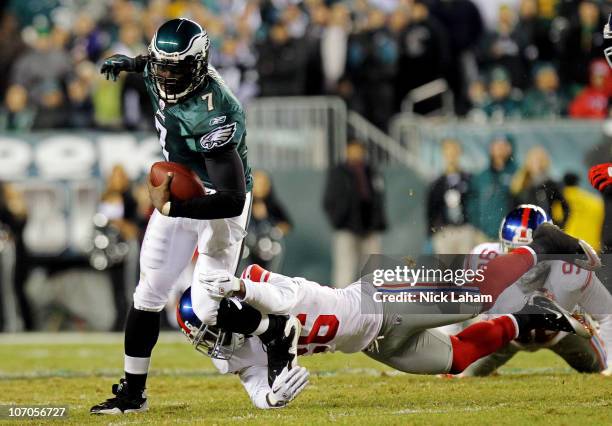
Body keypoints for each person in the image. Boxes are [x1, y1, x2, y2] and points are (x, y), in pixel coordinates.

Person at [90, 18, 297, 415]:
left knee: (204, 311)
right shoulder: (159, 65)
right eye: (160, 66)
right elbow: (151, 62)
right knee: (148, 293)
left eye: (174, 68)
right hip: (180, 192)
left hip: (217, 201)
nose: (165, 76)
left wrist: (172, 207)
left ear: (198, 64)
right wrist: (130, 63)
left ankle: (274, 329)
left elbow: (233, 199)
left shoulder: (217, 112)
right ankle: (133, 393)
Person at [178, 222, 600, 408]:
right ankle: (530, 318)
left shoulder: (256, 285)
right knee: (456, 358)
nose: (212, 342)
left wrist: (242, 288)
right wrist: (268, 399)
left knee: (476, 297)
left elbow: (280, 306)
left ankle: (541, 245)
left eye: (210, 329)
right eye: (204, 337)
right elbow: (253, 382)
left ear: (229, 309)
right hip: (370, 342)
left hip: (380, 298)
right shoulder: (228, 347)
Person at [456, 205, 612, 377]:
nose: (524, 263)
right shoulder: (483, 259)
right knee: (460, 372)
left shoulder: (571, 270)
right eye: (514, 252)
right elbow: (454, 306)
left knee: (602, 370)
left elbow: (607, 313)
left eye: (534, 254)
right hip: (505, 334)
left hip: (562, 333)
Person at [323, 139, 387, 288]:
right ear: (347, 151)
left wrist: (377, 222)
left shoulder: (371, 171)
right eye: (352, 149)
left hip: (369, 227)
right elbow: (328, 201)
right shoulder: (339, 172)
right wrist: (338, 220)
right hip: (347, 227)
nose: (356, 153)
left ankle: (371, 305)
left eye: (359, 149)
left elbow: (378, 198)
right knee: (345, 270)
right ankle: (340, 307)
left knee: (372, 271)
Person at [427, 139, 484, 254]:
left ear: (459, 152)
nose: (451, 155)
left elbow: (476, 203)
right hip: (445, 231)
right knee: (446, 269)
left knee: (466, 268)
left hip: (465, 229)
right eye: (448, 151)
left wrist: (476, 227)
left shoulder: (469, 179)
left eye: (454, 151)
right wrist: (432, 232)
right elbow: (431, 209)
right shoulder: (437, 183)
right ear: (443, 154)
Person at [466, 134, 517, 240]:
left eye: (503, 145)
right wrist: (477, 226)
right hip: (484, 235)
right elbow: (472, 203)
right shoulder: (482, 177)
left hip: (512, 235)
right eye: (497, 145)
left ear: (510, 148)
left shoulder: (518, 174)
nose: (500, 149)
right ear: (491, 149)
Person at [510, 145, 569, 227]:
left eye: (540, 160)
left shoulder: (552, 184)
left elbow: (565, 207)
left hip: (546, 228)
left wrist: (559, 224)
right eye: (534, 160)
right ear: (528, 162)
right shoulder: (519, 184)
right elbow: (513, 209)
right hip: (525, 229)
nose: (537, 164)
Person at [245, 170, 292, 271]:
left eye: (263, 184)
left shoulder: (273, 205)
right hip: (248, 248)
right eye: (256, 183)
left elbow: (287, 224)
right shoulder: (245, 204)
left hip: (268, 249)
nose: (259, 187)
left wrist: (275, 231)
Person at [562, 173, 604, 252]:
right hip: (591, 245)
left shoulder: (561, 199)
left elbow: (556, 218)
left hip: (569, 244)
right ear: (577, 183)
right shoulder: (595, 201)